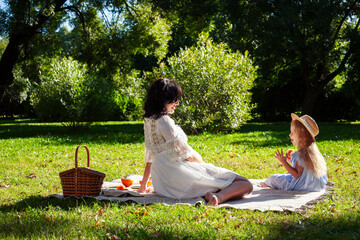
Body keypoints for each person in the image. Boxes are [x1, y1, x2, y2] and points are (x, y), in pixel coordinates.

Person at [138, 78, 253, 206]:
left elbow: (150, 158)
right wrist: (205, 167)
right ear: (163, 100)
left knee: (219, 180)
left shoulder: (149, 121)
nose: (177, 103)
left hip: (164, 184)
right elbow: (185, 155)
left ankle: (209, 192)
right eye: (174, 99)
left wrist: (143, 186)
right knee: (245, 184)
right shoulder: (164, 121)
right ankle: (218, 197)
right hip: (177, 173)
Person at [260, 113, 327, 191]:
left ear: (301, 135)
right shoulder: (313, 153)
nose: (289, 135)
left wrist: (283, 161)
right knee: (285, 176)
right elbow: (304, 170)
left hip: (301, 186)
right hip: (314, 185)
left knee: (274, 178)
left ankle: (267, 183)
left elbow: (297, 174)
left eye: (292, 132)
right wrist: (291, 161)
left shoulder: (300, 154)